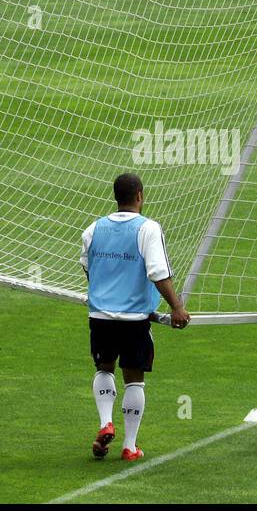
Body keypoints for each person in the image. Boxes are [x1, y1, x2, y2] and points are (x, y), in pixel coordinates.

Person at [80, 173, 189, 462]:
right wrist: (177, 307)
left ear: (116, 196)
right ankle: (129, 445)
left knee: (104, 368)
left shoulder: (93, 229)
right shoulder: (148, 229)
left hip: (100, 315)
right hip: (133, 318)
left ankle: (106, 422)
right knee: (134, 380)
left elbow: (88, 268)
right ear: (140, 195)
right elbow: (158, 273)